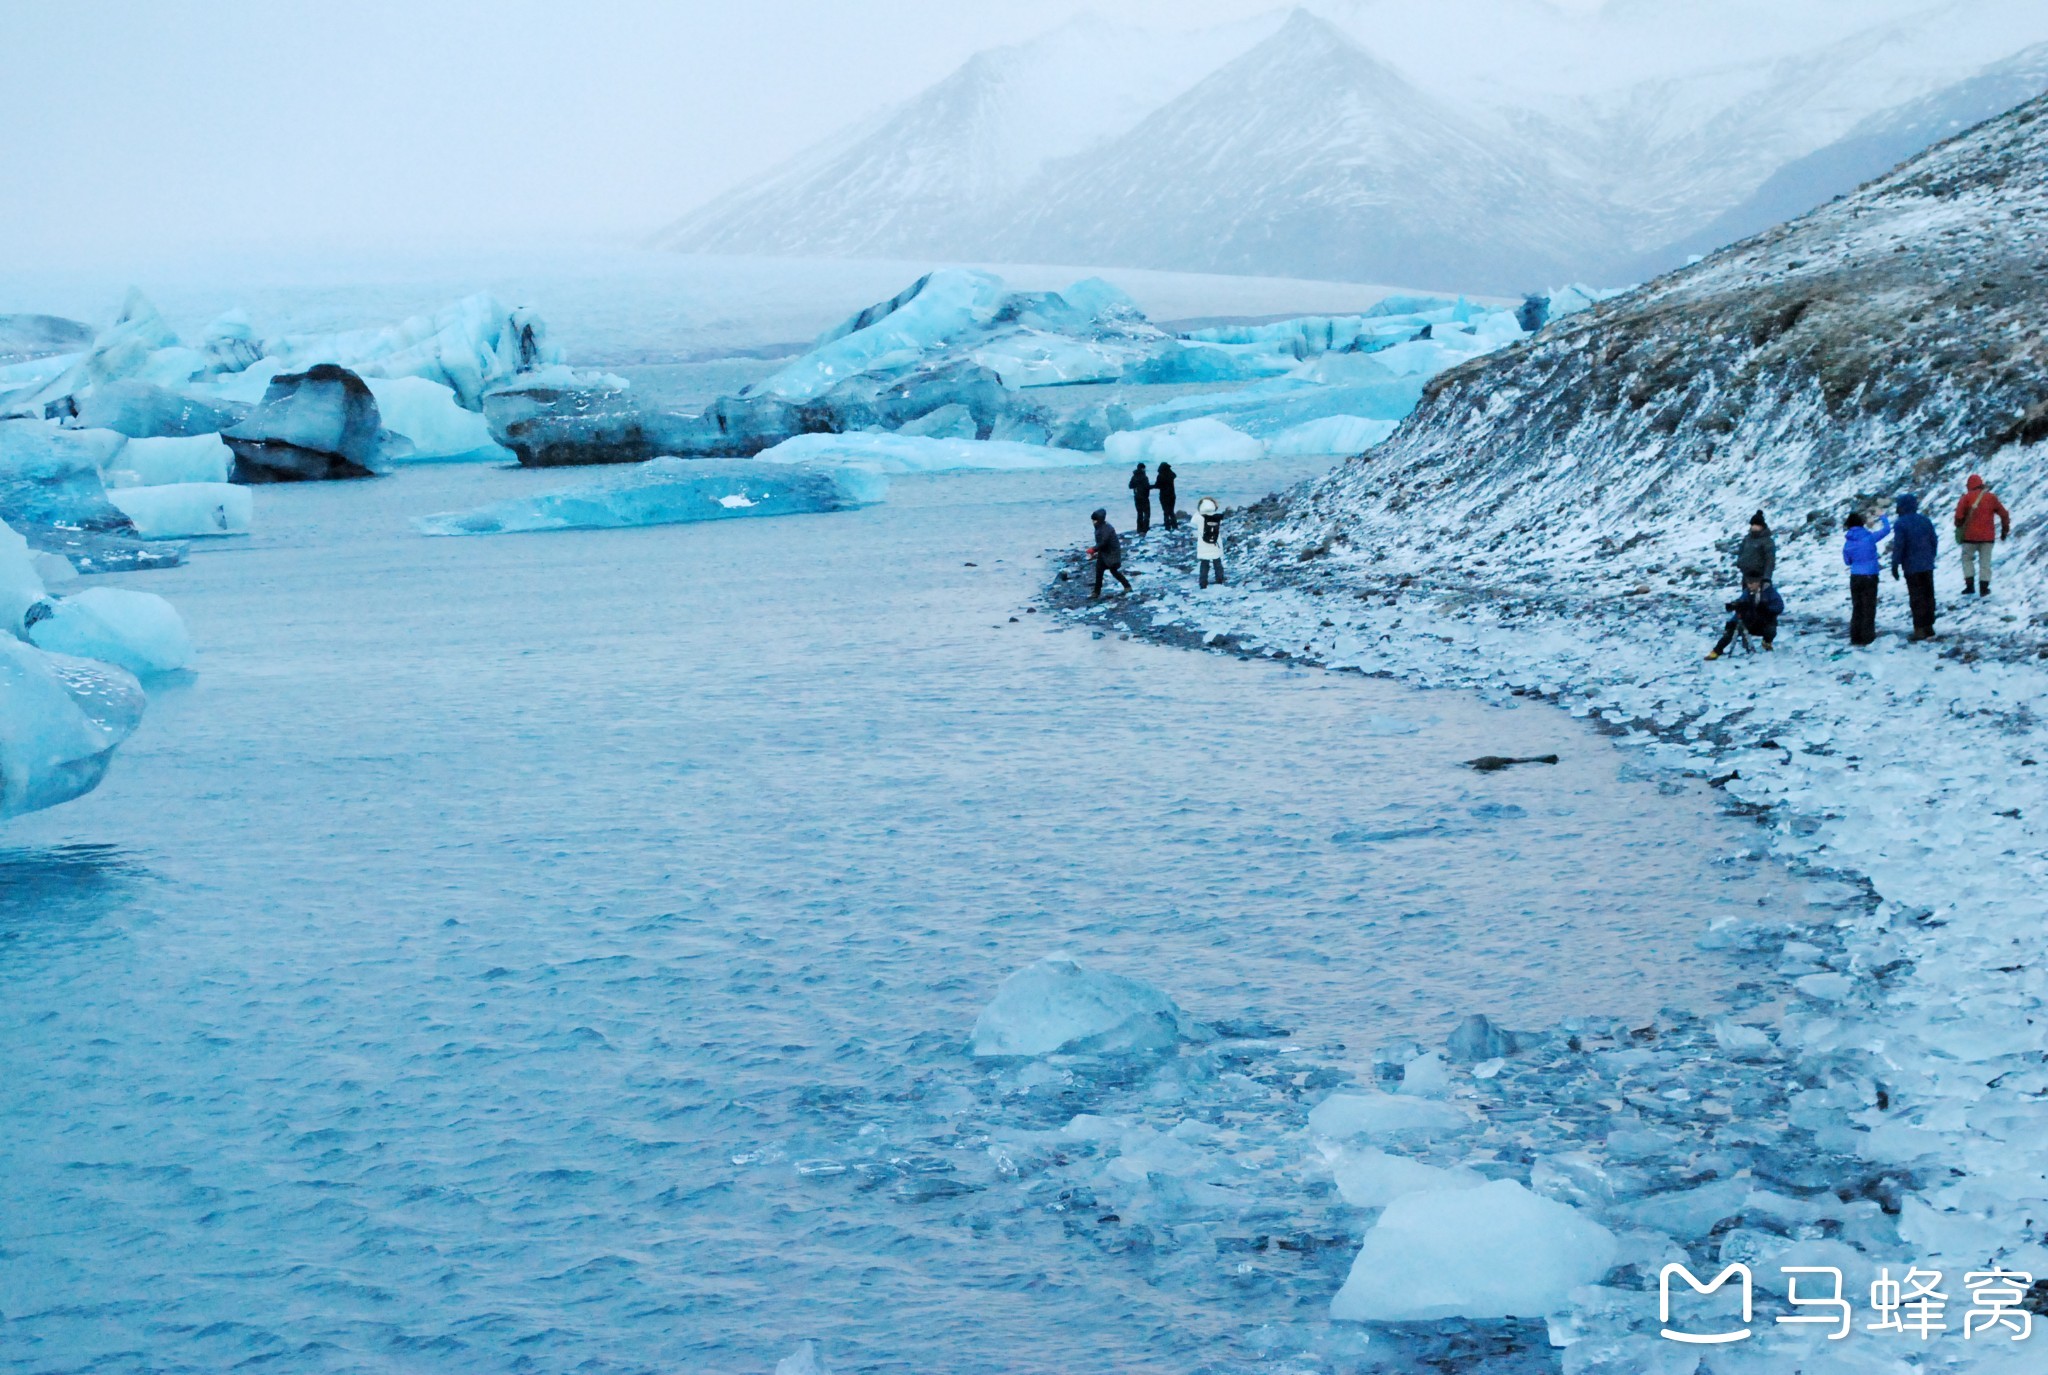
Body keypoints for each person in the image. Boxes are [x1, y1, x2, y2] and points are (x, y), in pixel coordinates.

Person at [1889, 493, 1940, 641]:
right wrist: (1931, 556)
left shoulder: (1901, 523)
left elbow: (1899, 545)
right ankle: (1929, 627)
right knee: (1929, 595)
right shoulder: (1925, 520)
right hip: (1927, 564)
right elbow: (1933, 540)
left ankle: (1919, 629)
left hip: (1911, 567)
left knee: (1916, 597)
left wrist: (1895, 564)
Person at [1953, 473, 2012, 596]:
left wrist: (1959, 525)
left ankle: (1970, 586)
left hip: (1969, 537)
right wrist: (2004, 530)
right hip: (1987, 538)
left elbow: (1958, 517)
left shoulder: (1966, 498)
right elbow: (2004, 514)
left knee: (1967, 559)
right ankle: (1984, 588)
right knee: (1985, 562)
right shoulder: (1991, 498)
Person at [1705, 576, 1783, 659]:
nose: (1750, 586)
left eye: (1752, 583)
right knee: (1731, 632)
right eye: (1748, 583)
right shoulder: (1747, 592)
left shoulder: (1770, 592)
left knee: (1770, 631)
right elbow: (1741, 604)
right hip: (1750, 620)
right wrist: (1734, 612)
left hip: (1765, 621)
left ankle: (1767, 642)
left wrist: (1766, 609)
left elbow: (1779, 607)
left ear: (1758, 582)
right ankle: (1716, 651)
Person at [1842, 511, 1890, 646]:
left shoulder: (1848, 542)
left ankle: (1855, 636)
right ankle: (1867, 637)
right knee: (1869, 607)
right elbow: (1887, 530)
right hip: (1870, 575)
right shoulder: (1869, 537)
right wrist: (1882, 516)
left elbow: (1847, 561)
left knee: (1857, 607)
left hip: (1855, 576)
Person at [1089, 508, 1131, 598]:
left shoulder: (1107, 529)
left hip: (1112, 553)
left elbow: (1103, 542)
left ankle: (1127, 586)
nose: (1093, 522)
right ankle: (1096, 592)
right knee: (1099, 571)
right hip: (1103, 553)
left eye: (1095, 520)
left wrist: (1094, 549)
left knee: (1114, 571)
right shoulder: (1100, 527)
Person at [1195, 496, 1226, 588]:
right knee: (1217, 562)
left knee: (1204, 564)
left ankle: (1203, 583)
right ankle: (1219, 579)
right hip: (1215, 543)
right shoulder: (1217, 516)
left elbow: (1192, 523)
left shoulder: (1198, 516)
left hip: (1203, 544)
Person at [1736, 511, 1775, 584]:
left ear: (1761, 526)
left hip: (1759, 577)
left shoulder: (1767, 541)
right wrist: (1739, 562)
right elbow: (1741, 551)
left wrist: (1767, 577)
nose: (1753, 527)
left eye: (1756, 525)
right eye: (1752, 525)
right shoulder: (1747, 539)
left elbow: (1770, 559)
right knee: (1746, 594)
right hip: (1746, 575)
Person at [1128, 463, 1152, 535]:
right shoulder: (1144, 477)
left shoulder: (1134, 477)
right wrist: (1154, 486)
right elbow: (1147, 486)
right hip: (1144, 497)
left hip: (1137, 497)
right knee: (1147, 513)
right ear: (1142, 468)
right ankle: (1145, 529)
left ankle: (1139, 529)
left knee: (1139, 513)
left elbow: (1130, 486)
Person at [1154, 462, 1178, 530]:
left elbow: (1157, 485)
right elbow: (1174, 475)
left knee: (1165, 512)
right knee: (1171, 511)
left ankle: (1167, 527)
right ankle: (1175, 526)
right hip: (1172, 495)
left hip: (1164, 496)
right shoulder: (1171, 475)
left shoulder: (1160, 476)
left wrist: (1149, 487)